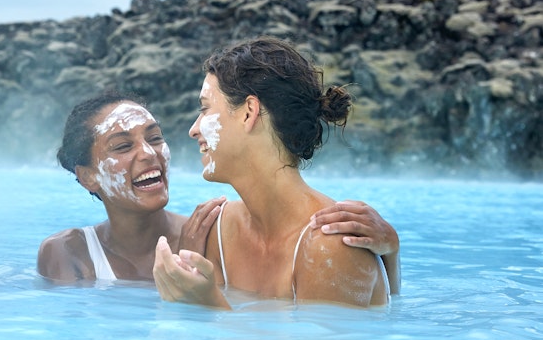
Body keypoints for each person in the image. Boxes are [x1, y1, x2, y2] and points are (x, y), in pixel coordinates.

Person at [38, 88, 400, 292]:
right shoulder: (68, 254)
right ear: (88, 176)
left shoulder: (214, 234)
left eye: (155, 138)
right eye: (122, 146)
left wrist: (390, 256)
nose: (149, 154)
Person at [153, 36, 394, 308]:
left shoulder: (329, 246)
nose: (193, 129)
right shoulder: (215, 231)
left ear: (249, 113)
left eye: (206, 109)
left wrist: (208, 304)